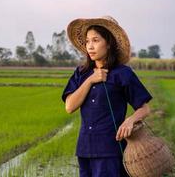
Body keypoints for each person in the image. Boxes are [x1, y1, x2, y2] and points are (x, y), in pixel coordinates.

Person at [61, 16, 153, 177]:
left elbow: (145, 108)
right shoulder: (81, 73)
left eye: (95, 40)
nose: (90, 46)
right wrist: (91, 80)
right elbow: (69, 107)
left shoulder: (122, 73)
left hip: (111, 149)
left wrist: (130, 121)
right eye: (88, 41)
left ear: (109, 43)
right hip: (84, 149)